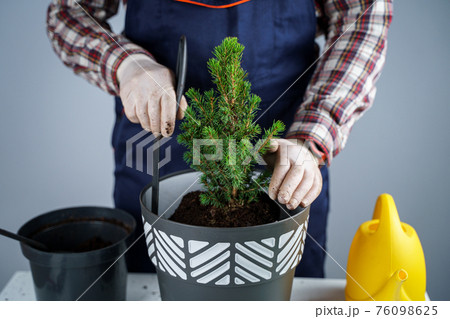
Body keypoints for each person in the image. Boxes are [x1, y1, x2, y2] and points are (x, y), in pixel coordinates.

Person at [46, 0, 392, 276]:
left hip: (280, 146)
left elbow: (363, 15)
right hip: (159, 148)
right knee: (151, 286)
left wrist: (312, 133)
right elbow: (68, 10)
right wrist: (124, 63)